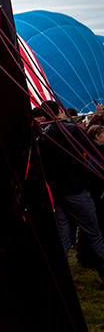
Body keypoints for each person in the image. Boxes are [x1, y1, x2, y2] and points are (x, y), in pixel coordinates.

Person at [39, 101, 104, 283]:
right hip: (75, 191)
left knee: (63, 239)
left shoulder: (43, 136)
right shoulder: (71, 130)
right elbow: (93, 149)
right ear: (60, 110)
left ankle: (61, 282)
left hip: (58, 194)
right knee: (93, 233)